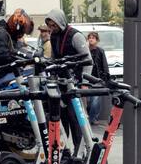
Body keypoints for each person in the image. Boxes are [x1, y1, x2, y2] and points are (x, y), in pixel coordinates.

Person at [45, 9, 93, 147]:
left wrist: (85, 83)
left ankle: (80, 151)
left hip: (75, 84)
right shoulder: (53, 36)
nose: (52, 28)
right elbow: (54, 58)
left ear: (61, 22)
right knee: (61, 119)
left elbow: (88, 60)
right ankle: (63, 151)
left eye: (54, 25)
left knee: (76, 120)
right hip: (61, 83)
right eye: (50, 25)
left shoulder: (75, 36)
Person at [0, 9, 31, 80]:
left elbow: (15, 50)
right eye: (22, 30)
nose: (22, 34)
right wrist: (22, 61)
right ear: (16, 27)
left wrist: (28, 56)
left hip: (1, 73)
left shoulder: (9, 34)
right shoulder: (0, 33)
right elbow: (2, 56)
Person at [85, 31, 109, 125]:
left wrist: (106, 77)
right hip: (87, 79)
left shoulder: (100, 51)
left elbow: (105, 65)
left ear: (97, 40)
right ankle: (89, 117)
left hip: (98, 80)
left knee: (96, 100)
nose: (91, 39)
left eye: (93, 38)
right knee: (89, 101)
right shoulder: (85, 50)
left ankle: (93, 118)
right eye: (89, 37)